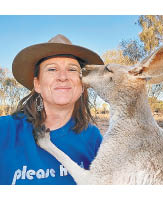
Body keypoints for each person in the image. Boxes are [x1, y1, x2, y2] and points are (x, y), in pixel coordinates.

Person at [0, 34, 104, 185]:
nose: (63, 77)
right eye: (52, 69)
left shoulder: (93, 138)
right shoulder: (5, 130)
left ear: (82, 85)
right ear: (37, 84)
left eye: (72, 69)